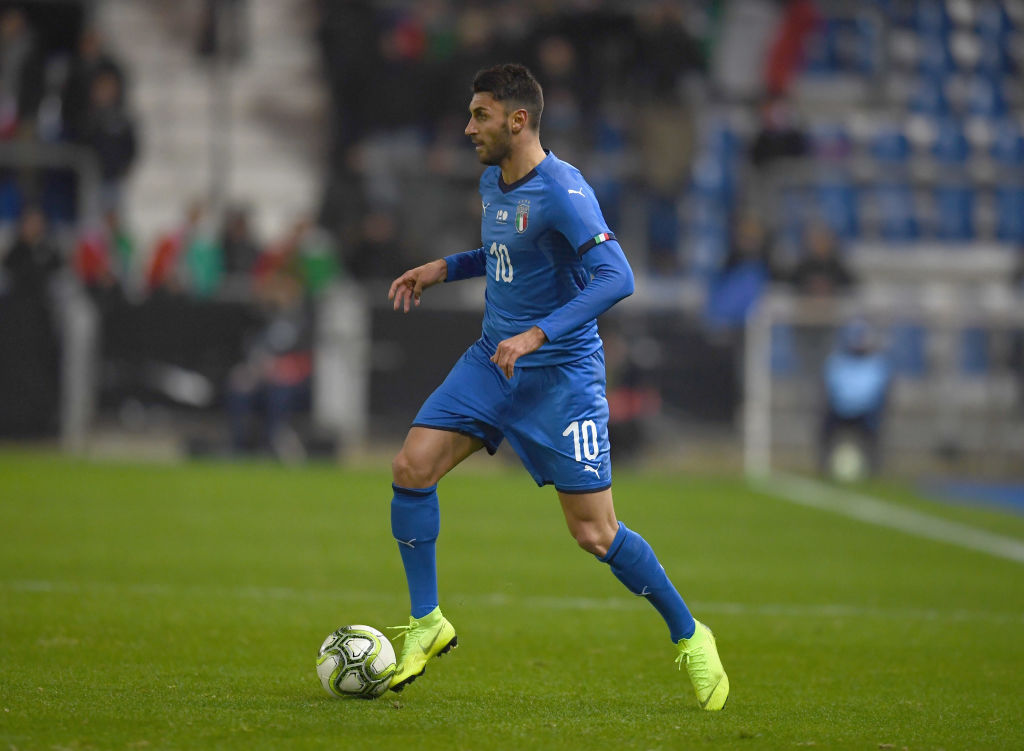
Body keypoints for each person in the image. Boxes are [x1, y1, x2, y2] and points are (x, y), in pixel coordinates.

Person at [385, 63, 728, 710]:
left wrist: (539, 334)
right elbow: (506, 252)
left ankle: (689, 633)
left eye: (479, 115)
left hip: (561, 378)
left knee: (595, 533)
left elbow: (615, 276)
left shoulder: (566, 191)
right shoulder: (494, 181)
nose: (468, 127)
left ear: (518, 120)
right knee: (411, 465)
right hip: (494, 360)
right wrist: (443, 268)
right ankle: (428, 621)